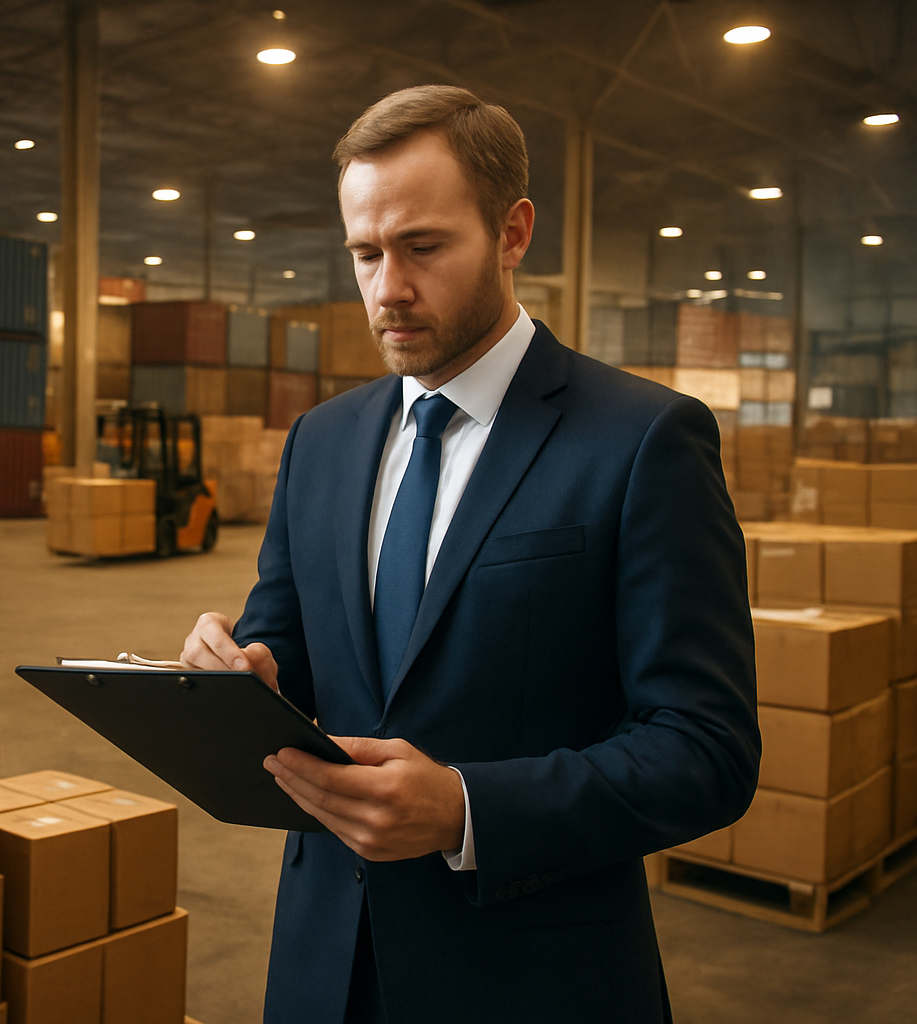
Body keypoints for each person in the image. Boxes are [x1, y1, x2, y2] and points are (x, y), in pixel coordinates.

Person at [179, 85, 759, 1024]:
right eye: (366, 254)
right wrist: (240, 677)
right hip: (325, 966)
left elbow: (707, 749)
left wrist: (463, 808)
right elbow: (290, 650)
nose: (387, 289)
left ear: (512, 232)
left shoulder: (642, 440)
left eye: (423, 247)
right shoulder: (322, 441)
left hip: (530, 979)